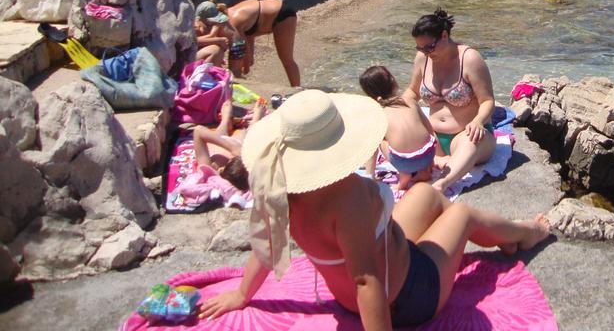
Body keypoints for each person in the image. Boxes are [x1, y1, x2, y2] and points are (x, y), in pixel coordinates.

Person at [197, 90, 550, 327]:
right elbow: (367, 281)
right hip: (409, 297)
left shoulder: (282, 190)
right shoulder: (347, 198)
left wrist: (242, 294)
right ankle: (527, 234)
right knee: (461, 214)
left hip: (390, 259)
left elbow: (270, 243)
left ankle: (498, 238)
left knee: (426, 195)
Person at [405, 8, 497, 192]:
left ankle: (441, 184)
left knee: (470, 142)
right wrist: (396, 109)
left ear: (444, 35)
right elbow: (411, 93)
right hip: (434, 138)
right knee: (392, 133)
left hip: (467, 134)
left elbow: (487, 101)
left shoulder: (470, 59)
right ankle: (437, 160)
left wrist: (478, 121)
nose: (425, 52)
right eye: (420, 48)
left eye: (429, 47)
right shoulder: (422, 59)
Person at [360, 65, 438, 191]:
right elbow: (429, 130)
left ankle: (404, 177)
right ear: (393, 82)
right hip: (428, 155)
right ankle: (424, 170)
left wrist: (371, 175)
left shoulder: (379, 114)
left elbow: (371, 149)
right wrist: (432, 160)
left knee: (379, 141)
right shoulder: (409, 100)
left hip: (404, 163)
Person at [225, 0, 300, 87]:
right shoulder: (231, 17)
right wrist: (248, 61)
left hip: (281, 14)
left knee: (287, 59)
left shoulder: (232, 24)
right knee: (239, 62)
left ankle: (297, 89)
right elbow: (248, 36)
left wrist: (244, 66)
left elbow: (241, 49)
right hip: (268, 8)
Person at [192, 98, 265, 192]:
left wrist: (231, 147)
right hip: (242, 141)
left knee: (220, 136)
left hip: (219, 139)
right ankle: (254, 122)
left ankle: (225, 121)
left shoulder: (210, 170)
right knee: (248, 138)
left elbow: (198, 130)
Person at [196, 0, 246, 77]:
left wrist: (215, 39)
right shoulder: (222, 20)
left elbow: (212, 35)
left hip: (236, 45)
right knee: (236, 71)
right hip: (240, 44)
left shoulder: (218, 23)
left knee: (234, 72)